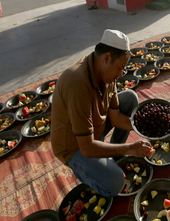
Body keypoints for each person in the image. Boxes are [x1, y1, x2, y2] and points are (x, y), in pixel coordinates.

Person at [51, 29, 152, 197]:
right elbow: (87, 147)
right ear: (107, 58)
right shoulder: (77, 83)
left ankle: (111, 156)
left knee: (130, 98)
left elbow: (116, 117)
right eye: (120, 68)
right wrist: (130, 149)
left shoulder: (105, 73)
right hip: (76, 147)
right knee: (115, 183)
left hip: (94, 130)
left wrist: (145, 129)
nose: (121, 75)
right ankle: (86, 171)